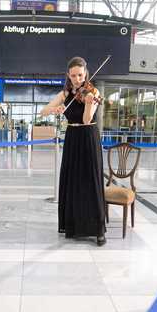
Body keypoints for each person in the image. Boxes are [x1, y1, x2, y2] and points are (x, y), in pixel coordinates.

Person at [40, 57, 106, 246]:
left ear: (85, 73)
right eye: (74, 75)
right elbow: (43, 111)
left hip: (88, 137)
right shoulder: (65, 93)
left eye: (80, 74)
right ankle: (75, 226)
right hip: (72, 138)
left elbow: (86, 120)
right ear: (68, 75)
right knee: (73, 182)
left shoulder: (93, 92)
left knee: (91, 182)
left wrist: (88, 103)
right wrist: (56, 109)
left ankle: (98, 230)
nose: (77, 79)